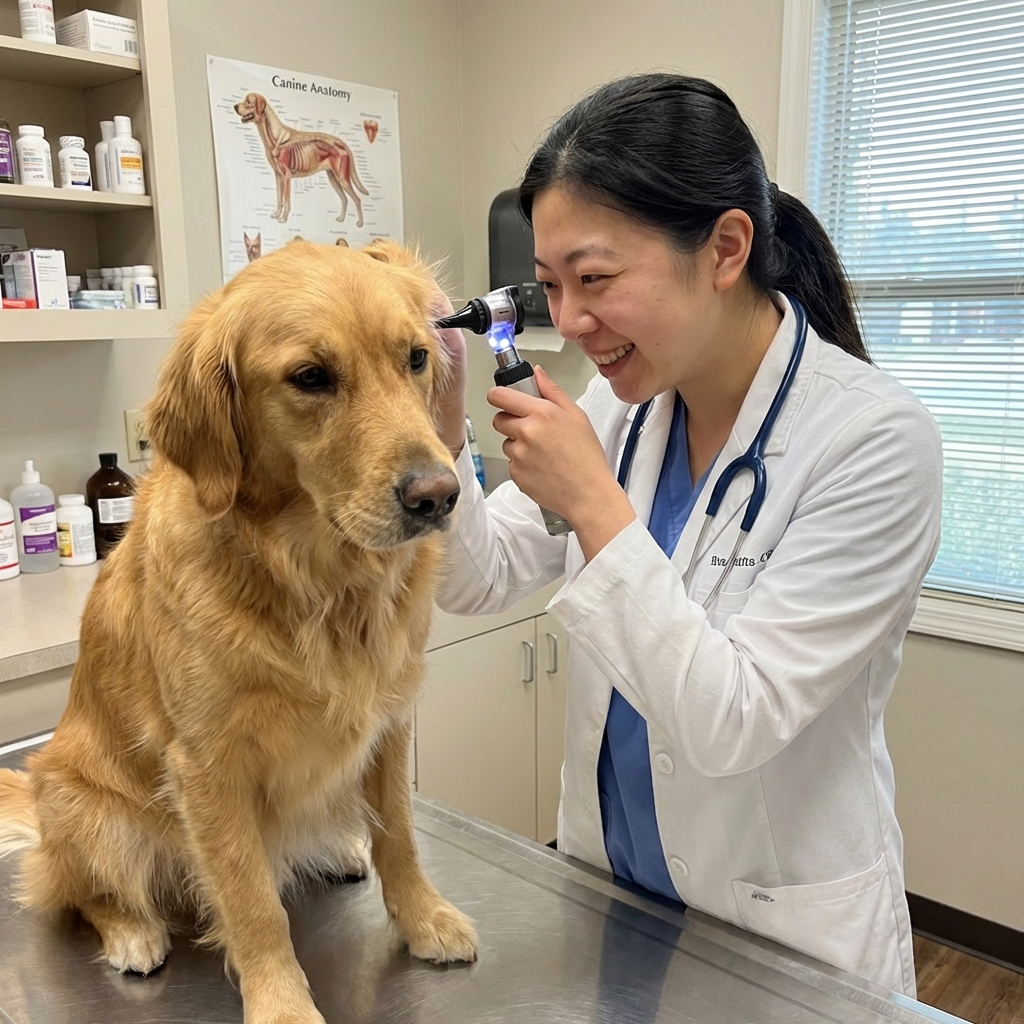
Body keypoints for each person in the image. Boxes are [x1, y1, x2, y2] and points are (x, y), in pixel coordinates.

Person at [432, 73, 941, 997]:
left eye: (595, 280)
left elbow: (732, 721)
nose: (573, 324)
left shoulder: (873, 441)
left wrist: (595, 506)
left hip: (778, 937)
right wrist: (440, 436)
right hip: (614, 896)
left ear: (726, 248)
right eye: (550, 288)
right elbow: (477, 579)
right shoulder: (624, 413)